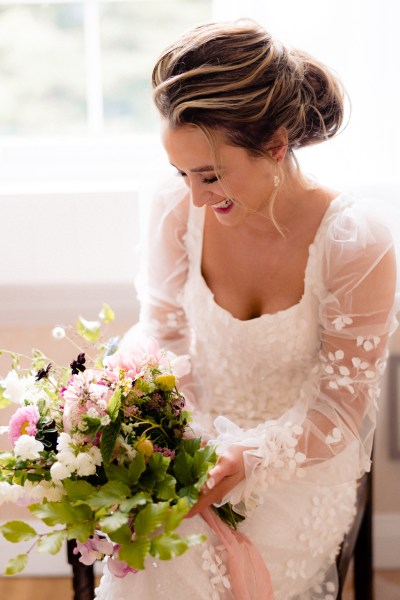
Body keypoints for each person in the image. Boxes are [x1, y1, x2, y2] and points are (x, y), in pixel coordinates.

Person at [95, 19, 399, 599]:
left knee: (179, 569)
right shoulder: (174, 205)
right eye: (180, 173)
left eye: (209, 175)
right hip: (190, 436)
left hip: (297, 464)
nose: (194, 196)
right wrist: (146, 418)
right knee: (157, 553)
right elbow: (161, 331)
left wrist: (250, 455)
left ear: (277, 145)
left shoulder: (357, 240)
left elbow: (338, 411)